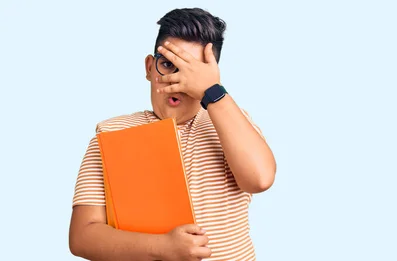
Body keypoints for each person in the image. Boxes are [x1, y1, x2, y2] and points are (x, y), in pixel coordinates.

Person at [68, 7, 277, 261]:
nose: (179, 81)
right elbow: (82, 237)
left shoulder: (230, 121)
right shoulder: (111, 133)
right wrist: (163, 247)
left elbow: (260, 179)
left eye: (193, 71)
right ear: (149, 67)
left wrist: (212, 92)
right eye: (168, 64)